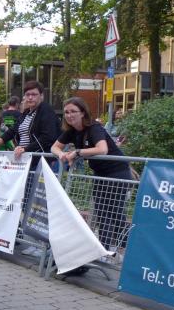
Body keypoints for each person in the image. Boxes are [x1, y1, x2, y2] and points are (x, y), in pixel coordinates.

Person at [51, 97, 133, 250]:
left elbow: (102, 149)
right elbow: (54, 147)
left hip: (118, 172)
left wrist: (77, 152)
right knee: (102, 212)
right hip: (100, 173)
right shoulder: (71, 131)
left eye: (73, 111)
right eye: (66, 112)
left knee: (115, 213)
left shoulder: (94, 128)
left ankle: (127, 248)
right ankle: (105, 250)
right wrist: (62, 154)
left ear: (83, 113)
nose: (69, 115)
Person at [0, 81, 60, 167]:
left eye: (34, 94)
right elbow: (11, 132)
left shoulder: (46, 111)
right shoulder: (26, 113)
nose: (30, 97)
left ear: (41, 96)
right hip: (26, 159)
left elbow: (47, 137)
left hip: (41, 160)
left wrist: (25, 149)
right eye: (27, 94)